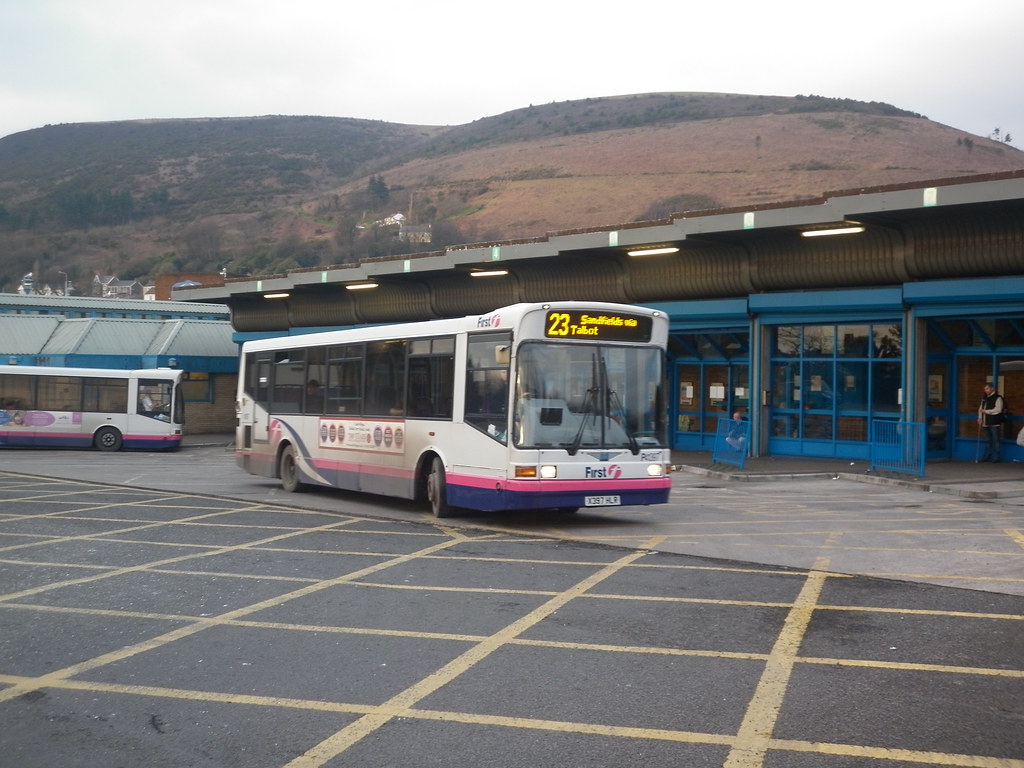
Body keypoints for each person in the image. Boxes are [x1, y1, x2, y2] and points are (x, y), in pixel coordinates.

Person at [977, 383, 1004, 463]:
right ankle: (986, 456)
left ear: (992, 388)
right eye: (985, 389)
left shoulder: (998, 398)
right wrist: (979, 417)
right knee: (987, 441)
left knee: (996, 440)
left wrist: (986, 411)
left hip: (994, 422)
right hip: (985, 422)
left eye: (987, 389)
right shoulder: (984, 398)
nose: (986, 391)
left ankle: (996, 458)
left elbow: (998, 409)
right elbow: (980, 409)